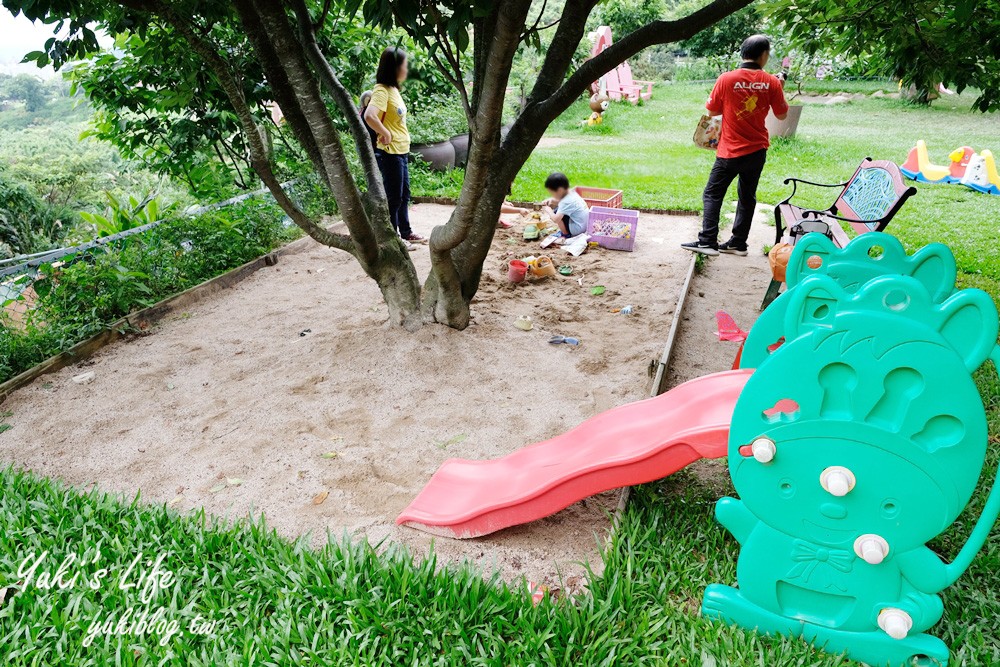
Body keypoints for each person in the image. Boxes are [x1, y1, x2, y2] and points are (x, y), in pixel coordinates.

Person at [682, 35, 788, 257]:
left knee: (712, 194)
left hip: (730, 151)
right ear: (763, 55)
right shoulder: (772, 82)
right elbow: (782, 114)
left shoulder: (727, 79)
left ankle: (708, 241)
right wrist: (779, 88)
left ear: (743, 54)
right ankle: (739, 243)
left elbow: (712, 111)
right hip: (757, 150)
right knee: (747, 196)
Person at [364, 47, 425, 247]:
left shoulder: (393, 90)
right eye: (405, 65)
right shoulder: (381, 90)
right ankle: (393, 239)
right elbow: (370, 116)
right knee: (394, 197)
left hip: (401, 150)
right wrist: (385, 132)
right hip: (389, 152)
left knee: (404, 194)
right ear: (395, 67)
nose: (407, 69)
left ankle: (406, 232)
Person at [541, 173, 589, 238]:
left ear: (560, 190)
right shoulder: (572, 193)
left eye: (552, 193)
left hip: (578, 229)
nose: (552, 195)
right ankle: (567, 231)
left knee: (556, 211)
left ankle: (565, 234)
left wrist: (549, 210)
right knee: (560, 210)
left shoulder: (565, 201)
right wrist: (551, 200)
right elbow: (564, 204)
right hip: (585, 225)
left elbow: (556, 219)